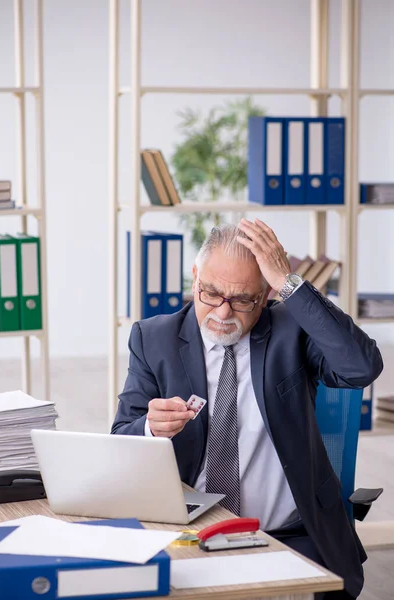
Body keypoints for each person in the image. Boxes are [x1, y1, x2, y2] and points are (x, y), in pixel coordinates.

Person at [111, 219, 383, 600]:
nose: (223, 314)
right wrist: (150, 429)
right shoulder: (153, 338)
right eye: (211, 293)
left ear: (267, 294)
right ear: (194, 278)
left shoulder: (292, 329)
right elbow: (120, 439)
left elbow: (361, 367)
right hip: (189, 535)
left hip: (291, 535)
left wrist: (291, 283)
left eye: (241, 301)